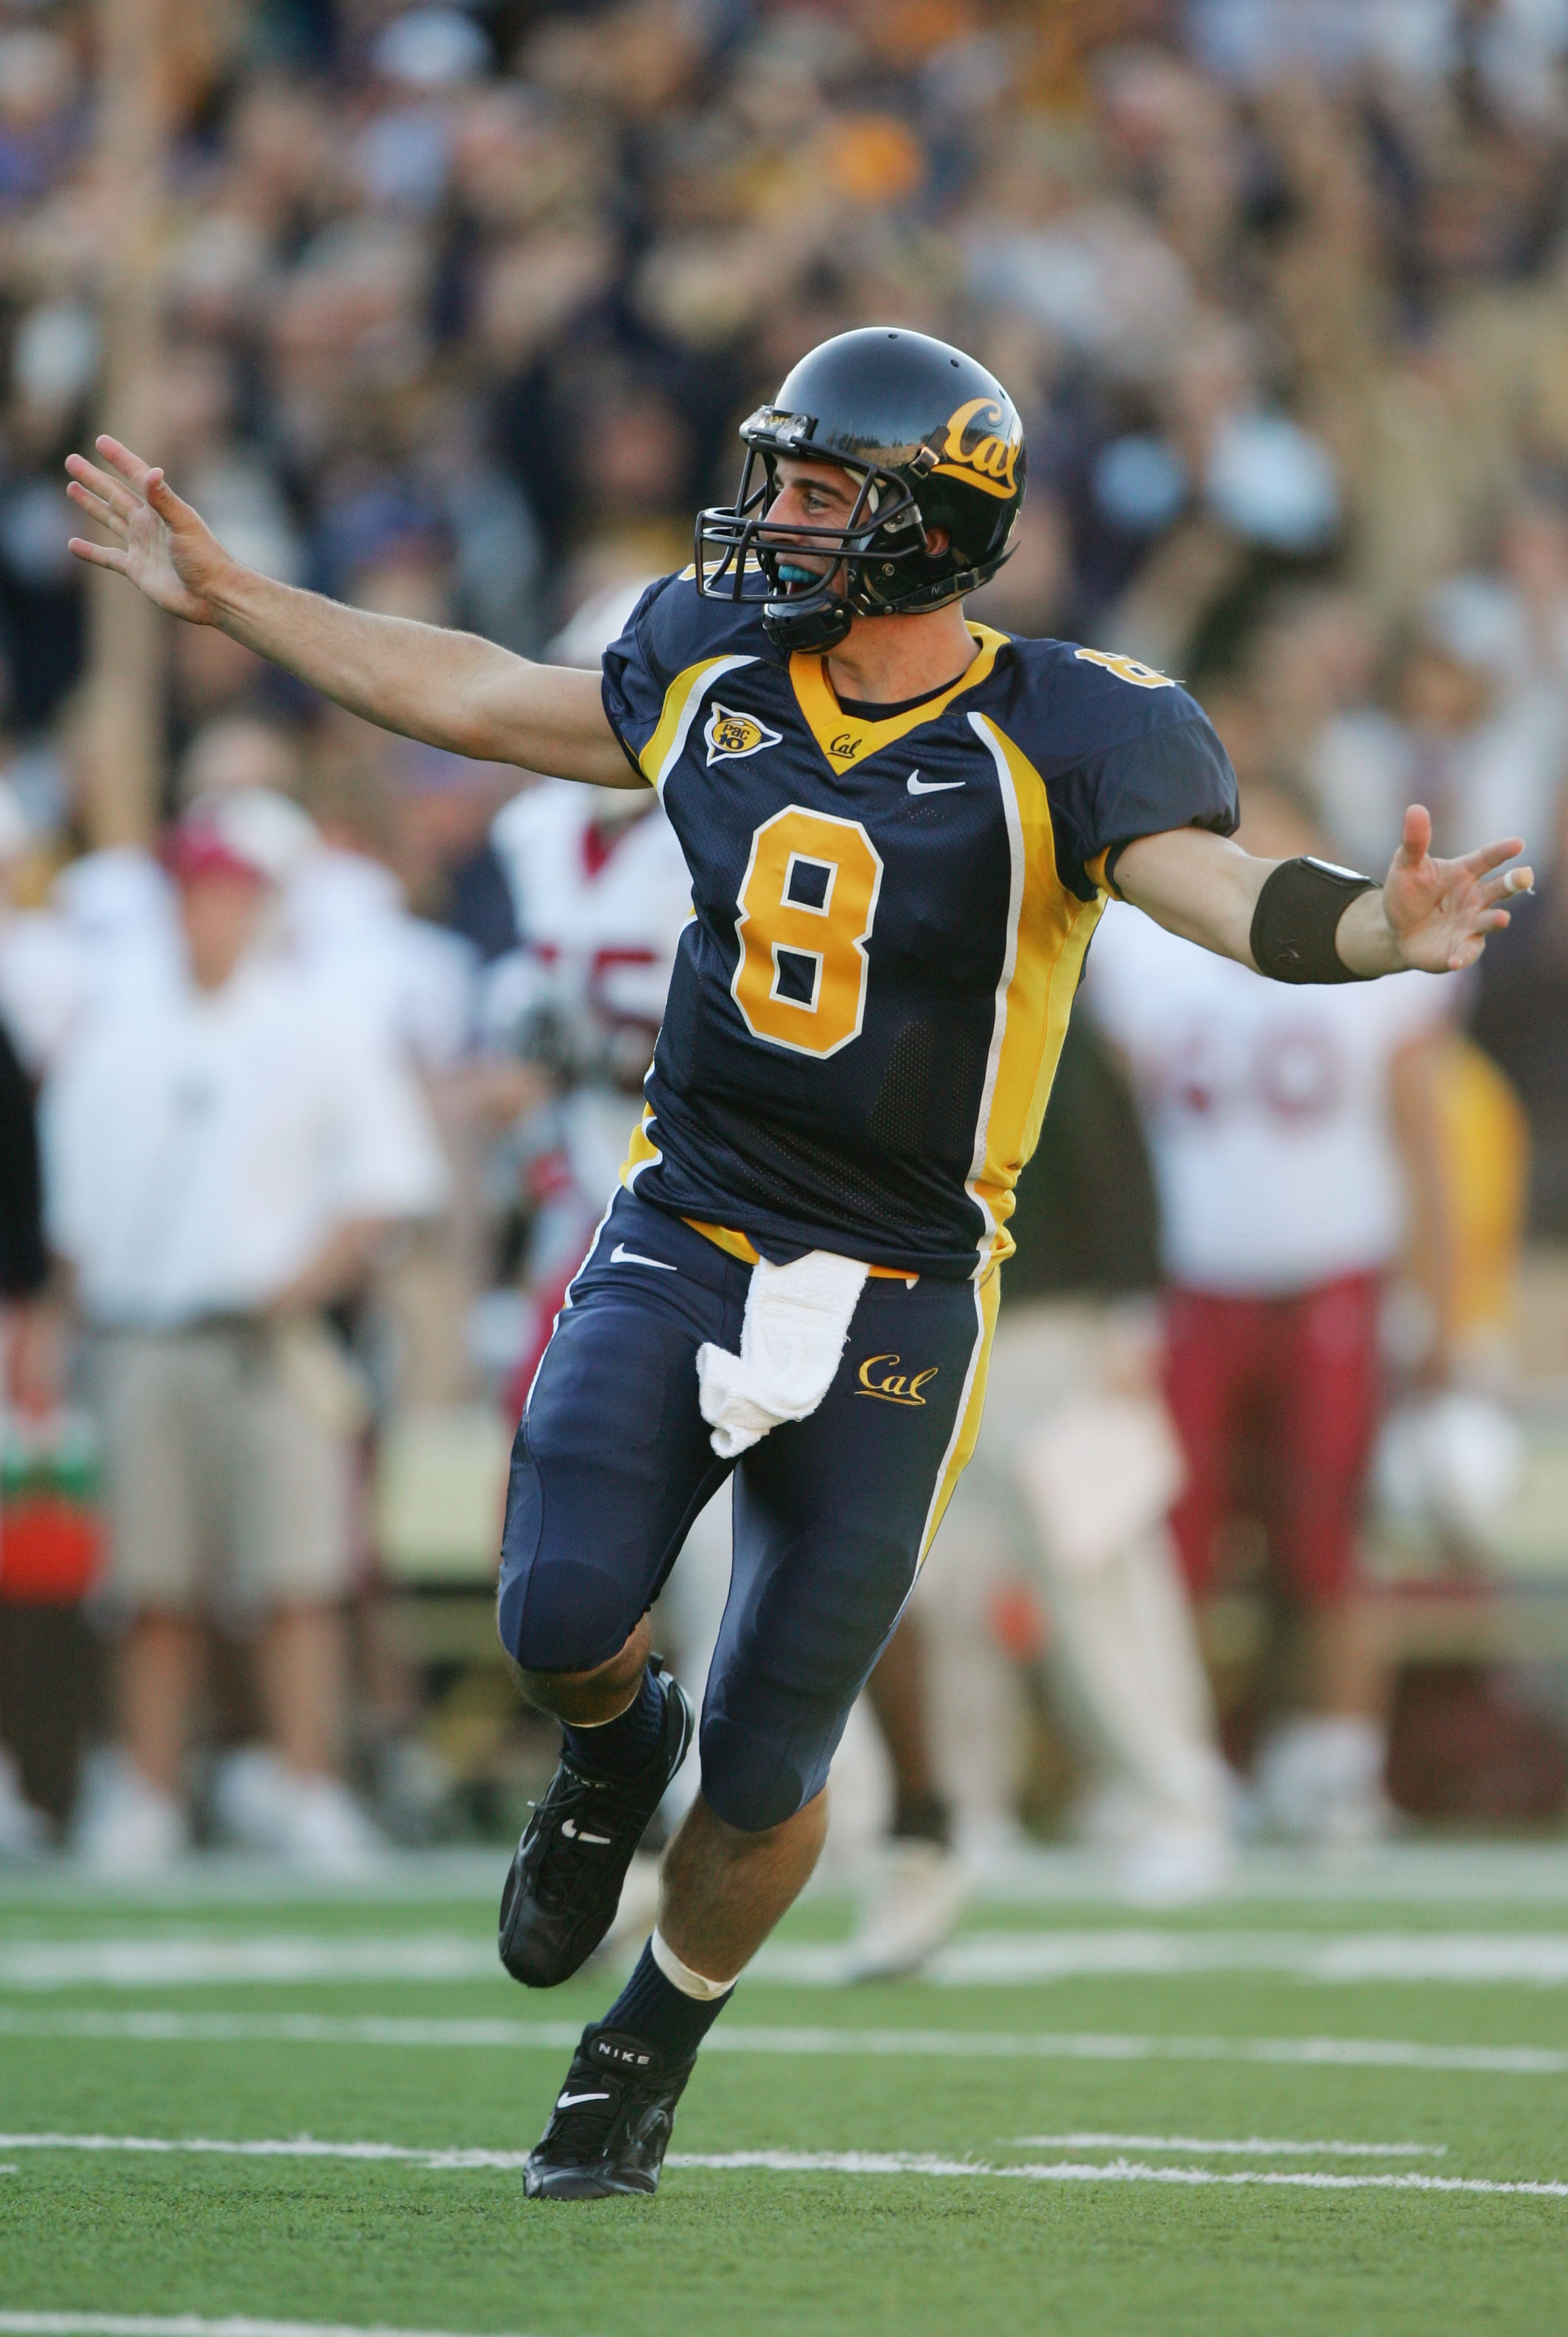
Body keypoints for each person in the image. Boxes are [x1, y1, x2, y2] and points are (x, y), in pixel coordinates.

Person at [65, 325, 1530, 2198]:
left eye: (819, 489)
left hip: (904, 1280)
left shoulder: (1069, 730)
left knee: (770, 1762)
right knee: (554, 1616)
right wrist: (238, 600)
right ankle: (610, 1758)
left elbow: (1222, 895)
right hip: (687, 1219)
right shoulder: (708, 666)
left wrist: (1366, 932)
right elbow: (485, 697)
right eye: (778, 478)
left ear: (928, 525)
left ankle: (649, 2040)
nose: (771, 521)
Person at [44, 789, 449, 1874]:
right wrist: (69, 1313)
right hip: (147, 1332)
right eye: (193, 892)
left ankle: (309, 1783)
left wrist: (297, 1284)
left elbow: (383, 1190)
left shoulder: (318, 1023)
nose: (207, 913)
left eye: (225, 893)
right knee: (151, 1588)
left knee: (298, 1582)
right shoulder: (119, 1030)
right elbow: (72, 1208)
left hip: (272, 1338)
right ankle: (148, 1790)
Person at [1085, 779, 1463, 1844]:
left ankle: (1331, 1761)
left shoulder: (1365, 923)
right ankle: (1177, 1764)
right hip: (1187, 1278)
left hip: (1331, 1268)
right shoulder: (1147, 942)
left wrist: (1443, 1300)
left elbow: (1416, 1127)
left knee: (1328, 1538)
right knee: (1179, 1547)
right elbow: (1107, 1138)